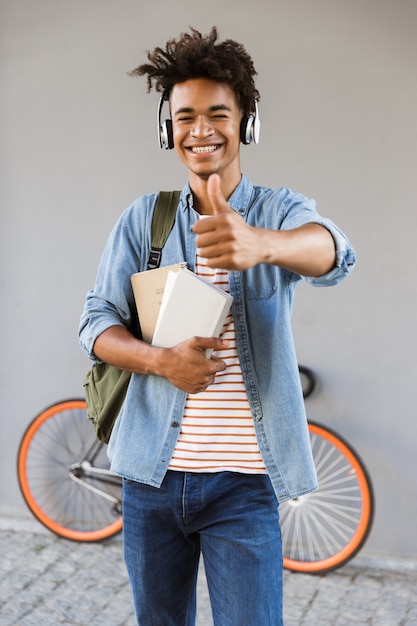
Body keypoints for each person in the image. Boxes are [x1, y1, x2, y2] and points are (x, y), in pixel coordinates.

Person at [79, 26, 355, 626]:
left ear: (246, 123)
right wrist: (160, 361)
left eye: (217, 114)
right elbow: (94, 323)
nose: (200, 130)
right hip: (151, 477)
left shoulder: (279, 212)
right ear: (167, 128)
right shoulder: (142, 220)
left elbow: (333, 253)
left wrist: (261, 245)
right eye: (184, 116)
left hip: (244, 487)